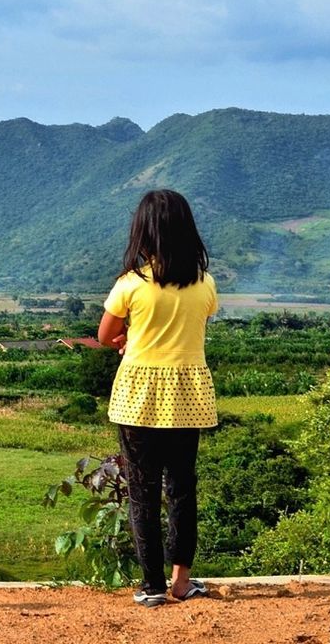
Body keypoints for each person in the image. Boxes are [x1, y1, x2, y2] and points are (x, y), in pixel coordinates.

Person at [98, 189, 217, 608]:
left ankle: (150, 587)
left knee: (143, 492)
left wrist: (127, 338)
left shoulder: (130, 284)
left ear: (142, 231)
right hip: (188, 396)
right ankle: (182, 582)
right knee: (183, 488)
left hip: (138, 399)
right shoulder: (205, 284)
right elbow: (193, 323)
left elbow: (104, 335)